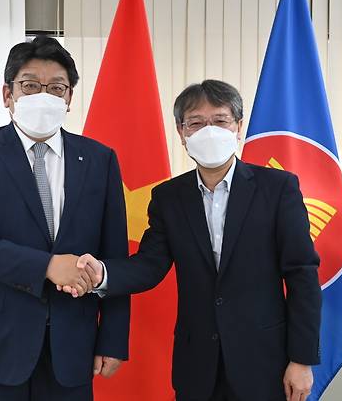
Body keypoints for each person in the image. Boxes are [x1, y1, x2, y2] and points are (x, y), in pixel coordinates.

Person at [64, 80, 321, 401]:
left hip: (266, 361)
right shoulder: (169, 197)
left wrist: (301, 359)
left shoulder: (277, 188)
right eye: (196, 123)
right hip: (197, 362)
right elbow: (149, 265)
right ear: (182, 133)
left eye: (220, 120)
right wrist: (102, 274)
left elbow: (302, 275)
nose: (208, 130)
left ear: (238, 126)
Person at [0, 36, 130, 401]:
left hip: (72, 346)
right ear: (8, 94)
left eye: (56, 87)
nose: (43, 96)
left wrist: (112, 337)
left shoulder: (98, 159)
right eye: (30, 85)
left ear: (69, 98)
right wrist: (47, 266)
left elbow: (114, 256)